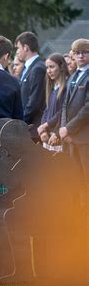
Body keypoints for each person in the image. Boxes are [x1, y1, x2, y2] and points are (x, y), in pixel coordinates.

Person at [59, 38, 89, 198]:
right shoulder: (73, 76)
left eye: (84, 52)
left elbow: (87, 108)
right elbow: (64, 105)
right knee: (75, 181)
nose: (81, 56)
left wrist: (69, 128)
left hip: (85, 139)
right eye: (77, 53)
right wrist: (65, 130)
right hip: (70, 139)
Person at [15, 31, 46, 141]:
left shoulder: (38, 68)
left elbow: (34, 102)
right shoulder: (27, 68)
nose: (17, 52)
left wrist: (21, 122)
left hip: (33, 129)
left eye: (18, 48)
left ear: (26, 47)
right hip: (26, 129)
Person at [37, 53, 69, 153]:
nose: (49, 71)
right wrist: (42, 129)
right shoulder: (52, 87)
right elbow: (46, 110)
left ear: (61, 67)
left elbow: (61, 113)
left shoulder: (66, 88)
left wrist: (48, 126)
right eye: (47, 67)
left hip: (57, 135)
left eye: (52, 67)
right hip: (48, 135)